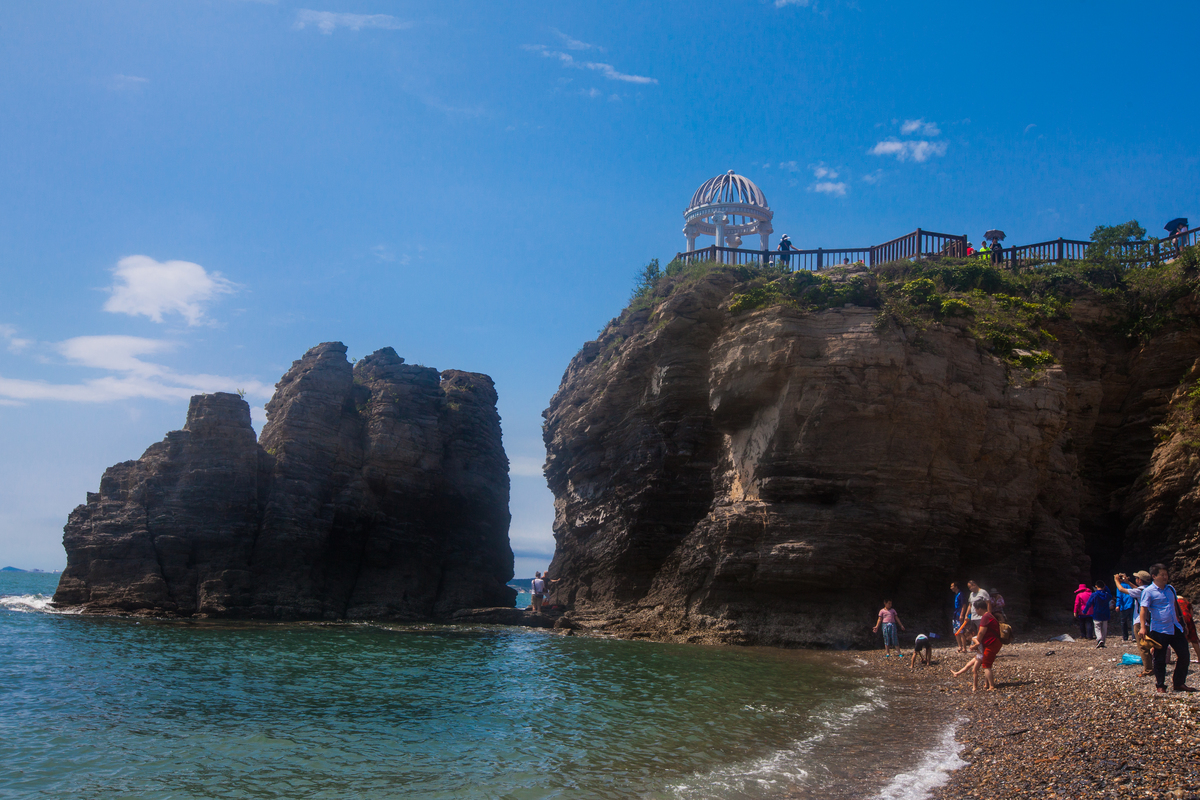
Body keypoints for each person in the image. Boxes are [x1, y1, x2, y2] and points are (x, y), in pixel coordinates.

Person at [1139, 563, 1194, 694]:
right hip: (1159, 629)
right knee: (1159, 658)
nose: (1165, 577)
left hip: (1175, 626)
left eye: (1166, 574)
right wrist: (1143, 627)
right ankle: (1160, 685)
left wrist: (1183, 624)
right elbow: (1143, 609)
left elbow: (1176, 607)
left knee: (1184, 655)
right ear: (1154, 576)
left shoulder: (1170, 589)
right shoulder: (1148, 591)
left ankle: (1179, 683)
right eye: (1162, 575)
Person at [1085, 581, 1113, 648]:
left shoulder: (1094, 594)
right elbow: (1110, 595)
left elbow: (1089, 603)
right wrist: (1106, 587)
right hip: (1105, 614)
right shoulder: (1107, 595)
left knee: (1097, 627)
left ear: (1096, 586)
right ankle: (1103, 641)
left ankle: (1099, 639)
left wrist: (1085, 610)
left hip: (1097, 613)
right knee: (1104, 629)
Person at [1177, 594, 1200, 666]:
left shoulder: (1174, 601)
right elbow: (1191, 614)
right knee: (1194, 639)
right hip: (1188, 617)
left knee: (1181, 639)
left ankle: (1182, 657)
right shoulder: (1186, 602)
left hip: (1180, 619)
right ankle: (1199, 657)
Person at [1114, 572, 1138, 640]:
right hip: (1131, 605)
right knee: (1132, 621)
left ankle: (1125, 636)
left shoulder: (1120, 586)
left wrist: (1117, 605)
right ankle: (1134, 636)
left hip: (1123, 606)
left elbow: (1119, 596)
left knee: (1123, 622)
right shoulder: (1130, 585)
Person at [951, 582, 968, 652]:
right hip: (955, 614)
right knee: (956, 631)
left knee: (961, 631)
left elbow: (964, 605)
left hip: (959, 614)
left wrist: (962, 614)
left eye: (952, 586)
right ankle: (960, 646)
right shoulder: (956, 595)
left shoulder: (961, 594)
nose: (951, 588)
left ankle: (964, 648)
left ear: (956, 586)